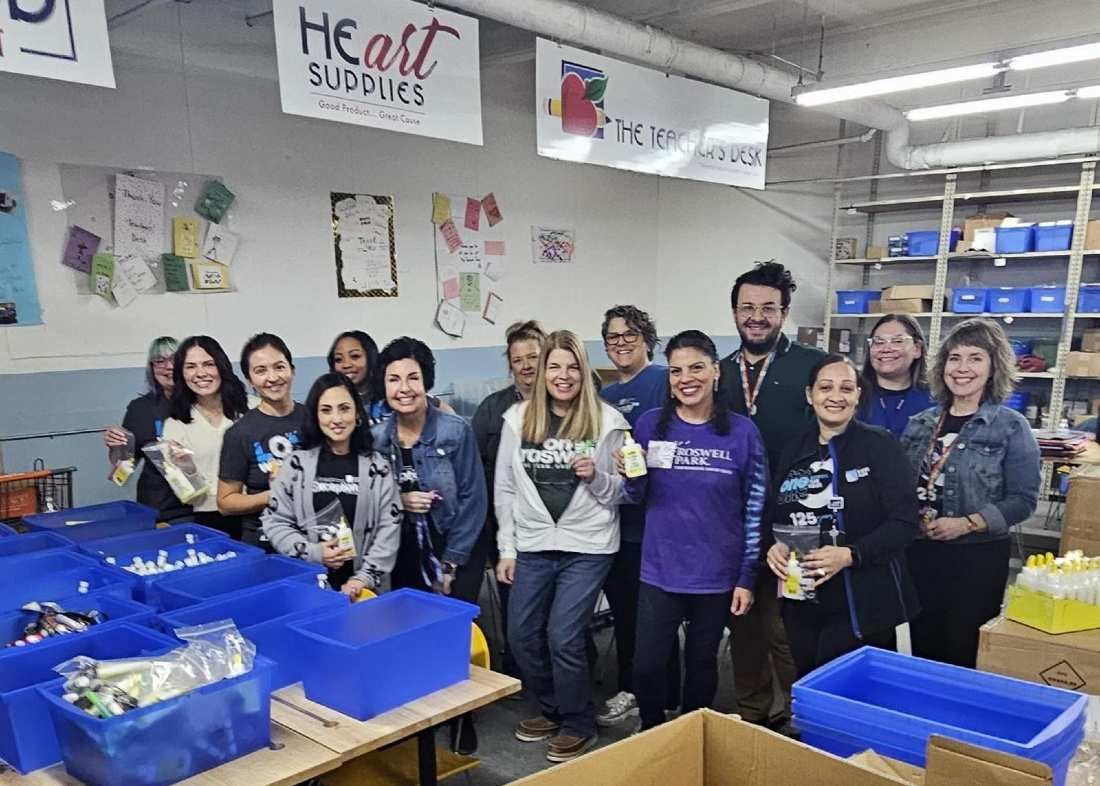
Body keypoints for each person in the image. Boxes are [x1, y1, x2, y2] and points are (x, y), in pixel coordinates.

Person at [619, 330, 766, 730]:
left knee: (702, 664)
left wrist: (746, 576)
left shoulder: (742, 432)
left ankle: (690, 734)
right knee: (647, 665)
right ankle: (651, 730)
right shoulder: (649, 426)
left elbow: (755, 508)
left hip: (716, 575)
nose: (687, 378)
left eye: (697, 368)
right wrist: (630, 478)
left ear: (716, 371)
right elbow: (635, 496)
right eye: (677, 370)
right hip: (660, 571)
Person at [495, 330, 629, 763]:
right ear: (542, 371)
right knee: (521, 634)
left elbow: (623, 493)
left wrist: (597, 476)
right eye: (555, 366)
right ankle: (553, 708)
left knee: (563, 634)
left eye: (573, 366)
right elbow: (504, 489)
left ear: (584, 371)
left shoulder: (608, 422)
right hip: (532, 544)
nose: (563, 375)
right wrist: (507, 548)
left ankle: (577, 721)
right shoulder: (517, 420)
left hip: (588, 546)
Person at [766, 354, 920, 676]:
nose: (835, 396)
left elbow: (905, 522)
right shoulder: (793, 449)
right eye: (825, 387)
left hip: (861, 602)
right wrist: (776, 545)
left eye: (846, 388)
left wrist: (851, 554)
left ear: (857, 396)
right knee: (807, 680)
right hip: (802, 596)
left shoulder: (880, 446)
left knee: (850, 691)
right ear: (810, 395)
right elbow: (777, 515)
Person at [717, 260, 821, 730]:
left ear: (784, 313)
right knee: (744, 626)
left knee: (787, 631)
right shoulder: (718, 374)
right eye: (747, 307)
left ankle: (804, 720)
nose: (756, 316)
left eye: (767, 308)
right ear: (735, 312)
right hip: (734, 525)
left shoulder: (811, 368)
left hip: (794, 527)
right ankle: (754, 716)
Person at [901, 318, 1040, 668]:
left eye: (975, 358)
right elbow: (901, 487)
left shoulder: (1010, 426)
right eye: (954, 358)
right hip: (921, 554)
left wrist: (967, 523)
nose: (962, 368)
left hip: (976, 559)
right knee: (924, 651)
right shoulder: (921, 423)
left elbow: (1023, 500)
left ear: (994, 367)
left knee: (964, 652)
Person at [595, 305, 678, 729]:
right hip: (619, 523)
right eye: (612, 337)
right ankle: (634, 686)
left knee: (662, 614)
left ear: (647, 338)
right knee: (628, 612)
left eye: (630, 335)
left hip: (662, 520)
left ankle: (670, 694)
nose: (621, 343)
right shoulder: (603, 398)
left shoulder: (666, 381)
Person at [262, 373, 401, 596]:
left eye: (344, 408)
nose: (336, 419)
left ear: (357, 414)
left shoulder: (378, 467)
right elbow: (275, 521)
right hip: (308, 590)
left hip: (365, 593)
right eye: (326, 410)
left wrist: (363, 579)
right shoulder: (296, 464)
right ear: (315, 416)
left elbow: (389, 528)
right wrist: (314, 553)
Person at [372, 337, 487, 601]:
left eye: (413, 377)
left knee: (453, 626)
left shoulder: (455, 430)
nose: (404, 388)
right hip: (404, 549)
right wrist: (398, 500)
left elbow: (474, 500)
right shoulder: (376, 439)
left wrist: (451, 563)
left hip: (456, 544)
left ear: (426, 381)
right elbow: (372, 501)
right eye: (393, 380)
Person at [471, 320, 547, 676]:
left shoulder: (568, 401)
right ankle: (519, 674)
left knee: (555, 609)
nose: (527, 365)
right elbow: (478, 469)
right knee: (513, 604)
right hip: (506, 524)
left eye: (534, 356)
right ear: (510, 364)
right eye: (519, 360)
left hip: (555, 523)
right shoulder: (492, 408)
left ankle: (562, 675)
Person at [218, 334, 307, 548]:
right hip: (266, 542)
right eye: (261, 371)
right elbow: (225, 502)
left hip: (314, 540)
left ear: (292, 370)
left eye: (279, 367)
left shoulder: (315, 419)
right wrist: (275, 495)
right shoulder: (239, 433)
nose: (273, 377)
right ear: (250, 381)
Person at [163, 336, 249, 536]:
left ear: (222, 367)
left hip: (258, 510)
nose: (200, 373)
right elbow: (188, 495)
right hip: (210, 519)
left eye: (208, 364)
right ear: (181, 374)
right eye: (190, 367)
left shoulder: (251, 410)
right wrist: (186, 471)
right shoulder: (175, 426)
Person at [103, 337, 189, 522]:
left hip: (200, 506)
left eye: (174, 359)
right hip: (158, 507)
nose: (168, 367)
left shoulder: (202, 403)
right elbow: (124, 469)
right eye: (159, 361)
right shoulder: (139, 408)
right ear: (151, 368)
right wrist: (115, 447)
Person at [858, 314, 934, 438]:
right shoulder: (853, 395)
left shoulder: (934, 400)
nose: (886, 349)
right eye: (878, 342)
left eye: (897, 341)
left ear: (917, 349)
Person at [328, 330, 380, 405]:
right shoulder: (326, 400)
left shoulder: (389, 400)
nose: (346, 365)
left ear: (371, 358)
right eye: (338, 359)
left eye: (355, 356)